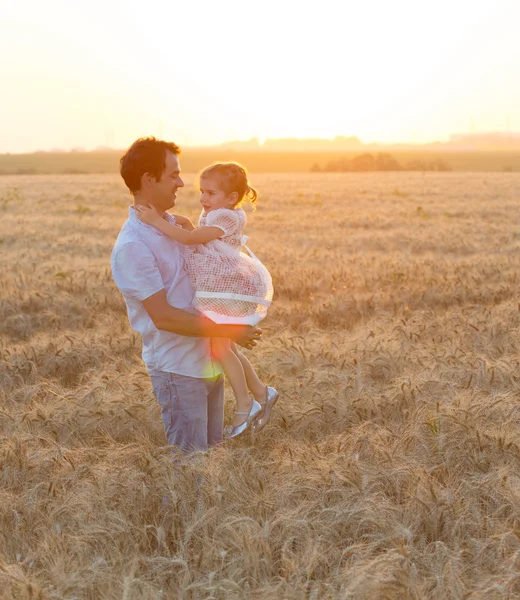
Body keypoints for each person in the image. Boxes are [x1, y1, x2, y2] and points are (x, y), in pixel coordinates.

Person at [111, 137, 264, 452]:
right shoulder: (134, 246)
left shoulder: (173, 227)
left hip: (209, 361)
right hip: (179, 370)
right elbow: (164, 316)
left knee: (210, 465)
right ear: (148, 179)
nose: (181, 183)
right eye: (173, 175)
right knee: (189, 467)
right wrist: (229, 329)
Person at [135, 162, 278, 438]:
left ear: (232, 198)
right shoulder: (215, 213)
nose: (203, 199)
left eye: (210, 193)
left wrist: (157, 222)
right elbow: (197, 233)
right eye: (202, 192)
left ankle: (245, 404)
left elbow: (191, 240)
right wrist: (183, 221)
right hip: (223, 288)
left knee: (220, 347)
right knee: (226, 347)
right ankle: (261, 391)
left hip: (230, 289)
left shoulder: (228, 217)